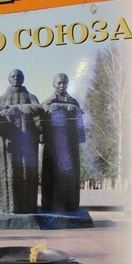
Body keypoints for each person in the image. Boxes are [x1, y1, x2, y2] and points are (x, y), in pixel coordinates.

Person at [0, 69, 44, 214]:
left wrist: (19, 108)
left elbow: (39, 108)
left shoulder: (30, 96)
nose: (16, 78)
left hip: (27, 140)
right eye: (13, 76)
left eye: (18, 76)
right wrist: (4, 111)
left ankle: (28, 207)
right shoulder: (1, 99)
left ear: (23, 78)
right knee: (8, 173)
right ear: (9, 79)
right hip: (8, 142)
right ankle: (7, 206)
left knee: (27, 171)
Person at [40, 73, 85, 212]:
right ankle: (50, 204)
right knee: (51, 173)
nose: (62, 85)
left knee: (69, 174)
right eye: (59, 83)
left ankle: (70, 204)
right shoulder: (48, 102)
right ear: (54, 84)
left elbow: (79, 123)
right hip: (52, 145)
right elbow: (42, 114)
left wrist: (80, 137)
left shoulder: (73, 102)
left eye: (64, 83)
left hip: (70, 146)